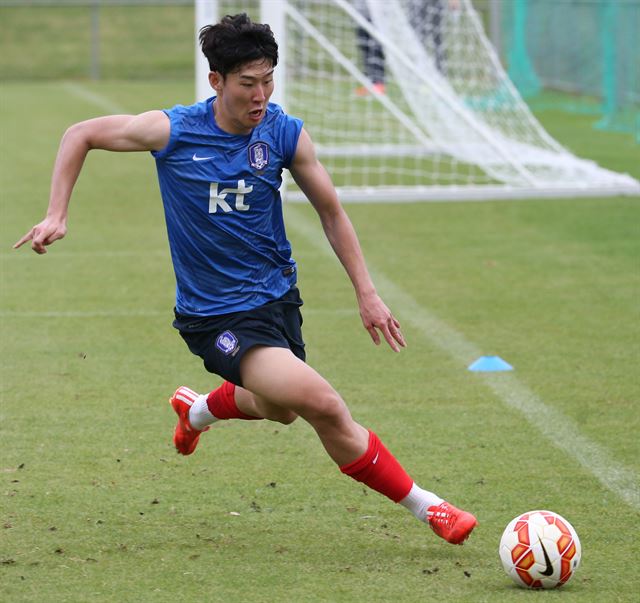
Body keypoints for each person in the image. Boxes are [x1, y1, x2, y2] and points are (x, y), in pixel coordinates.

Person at [14, 13, 477, 545]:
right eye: (247, 83)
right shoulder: (175, 131)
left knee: (280, 409)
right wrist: (57, 213)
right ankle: (431, 507)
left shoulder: (283, 133)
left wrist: (366, 293)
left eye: (268, 80)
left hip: (277, 299)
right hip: (214, 317)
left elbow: (331, 212)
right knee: (321, 404)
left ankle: (197, 410)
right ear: (216, 81)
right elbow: (82, 133)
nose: (260, 95)